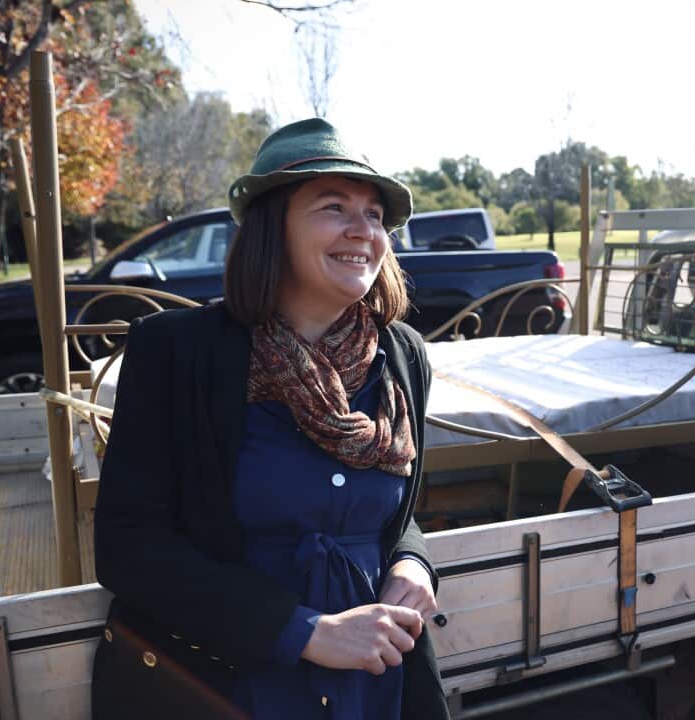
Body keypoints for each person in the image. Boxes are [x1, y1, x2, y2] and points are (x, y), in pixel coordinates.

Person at [91, 118, 449, 720]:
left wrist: (413, 561)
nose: (363, 230)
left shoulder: (403, 354)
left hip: (378, 685)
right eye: (334, 207)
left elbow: (398, 507)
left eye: (374, 215)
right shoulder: (176, 352)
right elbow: (128, 548)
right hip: (228, 684)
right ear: (270, 225)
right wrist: (307, 632)